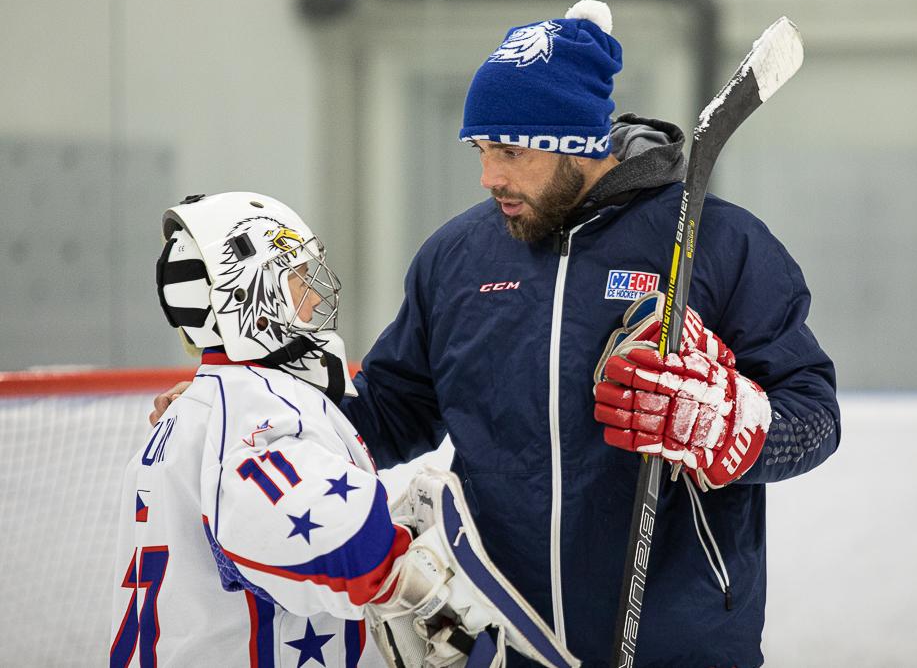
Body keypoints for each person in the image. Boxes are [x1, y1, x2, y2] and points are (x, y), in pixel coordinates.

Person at [152, 0, 839, 666]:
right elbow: (389, 409)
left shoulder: (717, 242)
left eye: (509, 150)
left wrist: (731, 425)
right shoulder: (456, 259)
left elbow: (815, 415)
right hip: (502, 643)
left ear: (575, 141)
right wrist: (254, 413)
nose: (488, 176)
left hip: (683, 649)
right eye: (482, 148)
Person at [114, 192, 577, 668]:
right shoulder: (256, 413)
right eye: (295, 281)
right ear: (242, 297)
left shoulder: (204, 409)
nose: (315, 296)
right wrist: (422, 585)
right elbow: (351, 549)